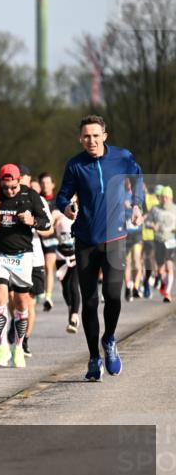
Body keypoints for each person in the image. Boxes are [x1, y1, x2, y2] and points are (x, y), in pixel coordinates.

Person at [56, 115, 143, 381]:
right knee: (90, 301)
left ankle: (109, 339)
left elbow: (137, 178)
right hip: (84, 240)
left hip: (115, 238)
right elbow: (62, 195)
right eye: (86, 136)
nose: (91, 140)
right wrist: (67, 207)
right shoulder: (75, 165)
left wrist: (138, 203)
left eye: (96, 135)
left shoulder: (122, 157)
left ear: (105, 135)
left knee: (114, 295)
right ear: (80, 138)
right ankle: (94, 357)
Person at [0, 165, 52, 369]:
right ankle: (2, 345)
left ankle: (18, 346)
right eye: (6, 188)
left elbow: (46, 223)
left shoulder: (30, 195)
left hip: (23, 255)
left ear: (19, 181)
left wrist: (32, 221)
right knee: (0, 295)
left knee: (22, 303)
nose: (10, 191)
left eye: (13, 187)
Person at [52, 198, 81, 332]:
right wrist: (54, 219)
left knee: (74, 285)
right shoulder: (58, 214)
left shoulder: (81, 214)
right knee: (65, 287)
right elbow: (49, 226)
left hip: (75, 256)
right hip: (61, 256)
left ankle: (74, 316)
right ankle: (71, 307)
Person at [146, 186, 175, 303]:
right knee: (160, 269)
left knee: (169, 266)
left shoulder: (174, 209)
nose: (165, 200)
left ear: (171, 197)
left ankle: (167, 293)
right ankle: (163, 284)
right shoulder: (155, 209)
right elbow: (147, 221)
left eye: (167, 197)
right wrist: (152, 226)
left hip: (171, 241)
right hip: (158, 241)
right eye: (163, 197)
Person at [37, 172, 59, 309]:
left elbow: (57, 220)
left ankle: (48, 296)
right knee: (40, 267)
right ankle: (40, 291)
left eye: (47, 183)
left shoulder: (57, 201)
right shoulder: (37, 199)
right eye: (42, 183)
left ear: (53, 184)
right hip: (37, 239)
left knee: (48, 266)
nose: (45, 185)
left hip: (51, 238)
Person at [123, 177, 145, 302]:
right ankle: (128, 286)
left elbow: (146, 212)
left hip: (137, 234)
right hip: (125, 234)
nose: (128, 183)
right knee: (127, 262)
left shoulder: (140, 196)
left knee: (137, 260)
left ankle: (136, 287)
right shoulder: (121, 195)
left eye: (130, 180)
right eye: (126, 180)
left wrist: (141, 217)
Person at [142, 184, 162, 299]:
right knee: (143, 259)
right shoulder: (148, 198)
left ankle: (154, 278)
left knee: (151, 258)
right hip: (142, 234)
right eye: (158, 195)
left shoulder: (160, 204)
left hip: (154, 236)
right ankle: (146, 282)